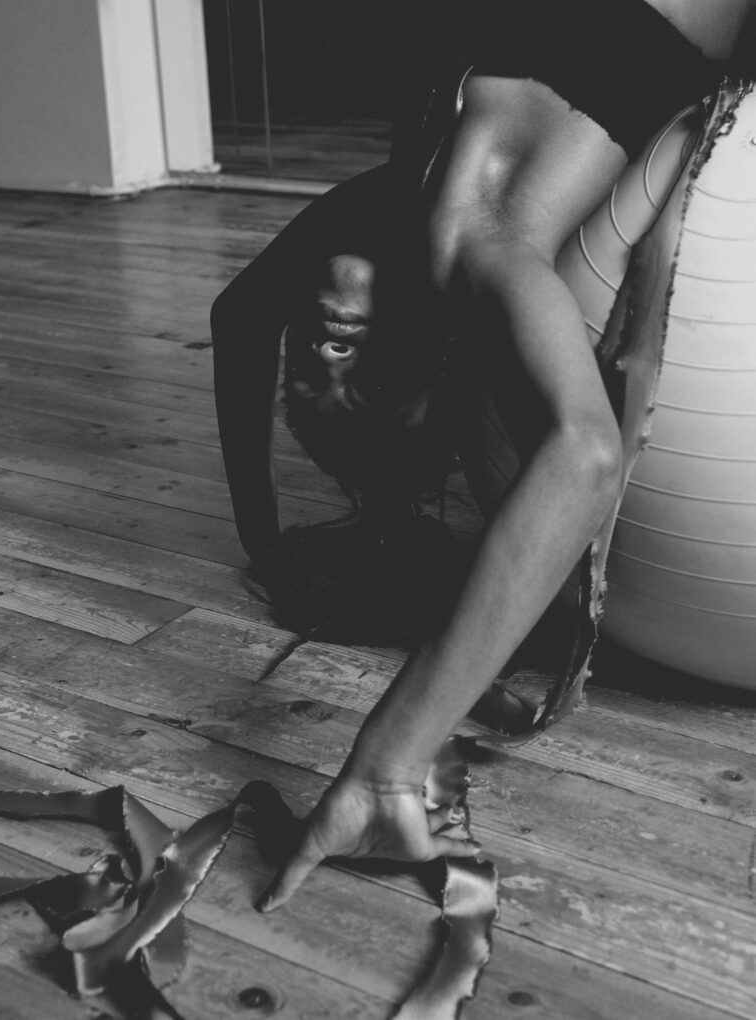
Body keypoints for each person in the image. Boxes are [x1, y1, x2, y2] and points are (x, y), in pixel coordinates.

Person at [212, 0, 754, 911]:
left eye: (320, 352)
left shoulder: (415, 210)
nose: (332, 321)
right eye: (350, 354)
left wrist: (262, 539)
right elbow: (587, 453)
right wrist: (384, 759)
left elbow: (238, 316)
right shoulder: (459, 236)